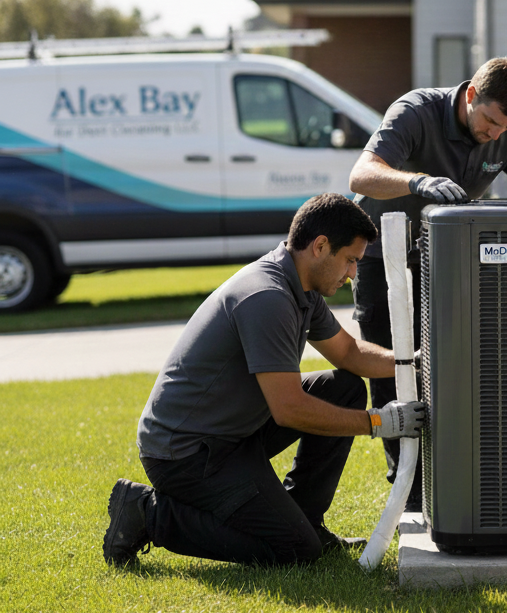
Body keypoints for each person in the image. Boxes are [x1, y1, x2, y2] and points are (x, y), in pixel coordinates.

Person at [102, 193, 425, 568]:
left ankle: (307, 520)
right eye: (351, 260)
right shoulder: (267, 297)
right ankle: (146, 512)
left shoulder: (300, 285)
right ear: (320, 246)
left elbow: (349, 354)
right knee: (294, 551)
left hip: (232, 432)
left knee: (345, 387)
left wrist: (418, 364)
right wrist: (379, 423)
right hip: (186, 454)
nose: (353, 273)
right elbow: (289, 409)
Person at [348, 56, 507, 511]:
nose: (495, 135)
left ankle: (452, 470)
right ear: (470, 96)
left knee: (453, 364)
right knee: (395, 366)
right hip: (380, 256)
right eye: (489, 122)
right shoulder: (415, 112)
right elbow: (361, 175)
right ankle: (406, 486)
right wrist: (418, 182)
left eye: (505, 128)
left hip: (447, 259)